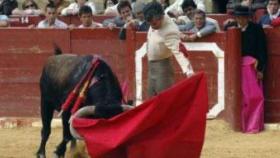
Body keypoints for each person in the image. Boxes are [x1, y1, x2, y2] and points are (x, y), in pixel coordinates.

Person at [226, 5, 267, 133]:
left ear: (247, 17)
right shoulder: (230, 28)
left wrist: (261, 69)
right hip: (235, 69)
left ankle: (252, 125)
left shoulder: (256, 29)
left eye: (243, 17)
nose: (240, 20)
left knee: (253, 97)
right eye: (238, 17)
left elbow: (262, 50)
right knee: (240, 98)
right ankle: (241, 125)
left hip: (251, 67)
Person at [143, 1, 194, 97]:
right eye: (149, 23)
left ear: (161, 17)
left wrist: (189, 71)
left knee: (164, 100)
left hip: (163, 69)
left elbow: (179, 51)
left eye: (154, 23)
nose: (152, 25)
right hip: (151, 66)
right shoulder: (154, 20)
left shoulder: (170, 30)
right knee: (151, 99)